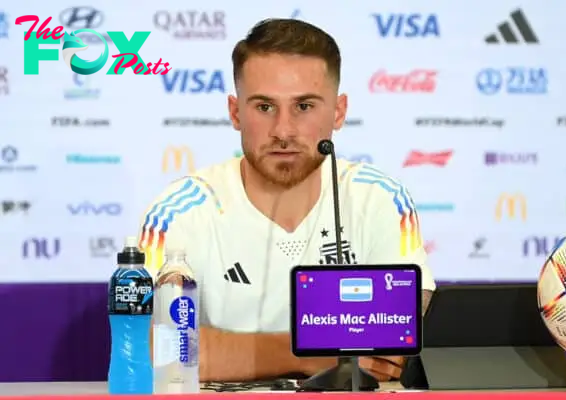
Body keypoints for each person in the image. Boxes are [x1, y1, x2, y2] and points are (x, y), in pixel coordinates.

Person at [138, 18, 436, 384]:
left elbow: (393, 347)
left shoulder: (380, 199)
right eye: (264, 107)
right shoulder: (179, 211)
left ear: (339, 112)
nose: (283, 131)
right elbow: (152, 349)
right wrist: (312, 354)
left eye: (304, 106)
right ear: (235, 112)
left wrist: (230, 352)